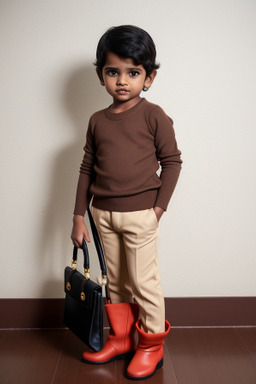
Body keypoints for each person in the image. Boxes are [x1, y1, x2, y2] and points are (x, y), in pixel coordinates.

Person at [71, 25, 182, 380]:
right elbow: (87, 167)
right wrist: (78, 216)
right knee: (115, 281)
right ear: (101, 74)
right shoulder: (96, 121)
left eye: (133, 72)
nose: (122, 80)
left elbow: (173, 162)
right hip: (103, 215)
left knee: (144, 282)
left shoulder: (154, 116)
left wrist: (158, 210)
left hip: (141, 216)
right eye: (113, 72)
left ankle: (151, 346)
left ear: (148, 78)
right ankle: (121, 338)